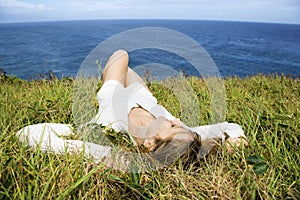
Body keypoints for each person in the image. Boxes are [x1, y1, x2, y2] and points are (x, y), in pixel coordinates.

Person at [16, 50, 248, 171]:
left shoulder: (107, 126)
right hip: (143, 94)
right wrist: (235, 140)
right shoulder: (179, 134)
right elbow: (230, 126)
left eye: (171, 126)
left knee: (121, 57)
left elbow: (26, 134)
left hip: (114, 90)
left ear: (149, 144)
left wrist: (110, 158)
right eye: (180, 126)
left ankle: (112, 74)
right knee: (129, 68)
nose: (176, 120)